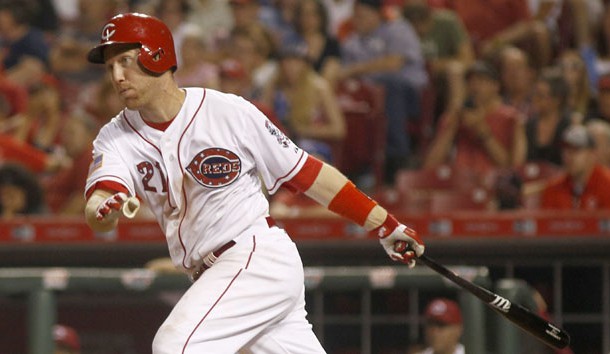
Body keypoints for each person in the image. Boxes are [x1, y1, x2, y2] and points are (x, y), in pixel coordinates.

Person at [83, 13, 424, 353]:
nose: (116, 76)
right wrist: (104, 209)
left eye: (125, 61)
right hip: (216, 274)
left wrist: (383, 223)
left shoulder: (228, 112)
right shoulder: (114, 137)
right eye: (110, 66)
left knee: (175, 346)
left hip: (253, 256)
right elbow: (100, 202)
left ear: (156, 55)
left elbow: (308, 174)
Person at [423, 60, 527, 178]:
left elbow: (513, 168)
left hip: (495, 183)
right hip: (458, 181)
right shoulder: (453, 117)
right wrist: (452, 128)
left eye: (481, 81)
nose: (475, 87)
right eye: (471, 82)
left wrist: (483, 132)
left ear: (496, 86)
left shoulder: (511, 118)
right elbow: (429, 166)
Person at [540, 123, 610, 209]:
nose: (568, 156)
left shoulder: (607, 185)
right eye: (565, 150)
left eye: (576, 150)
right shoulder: (553, 189)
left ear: (592, 154)